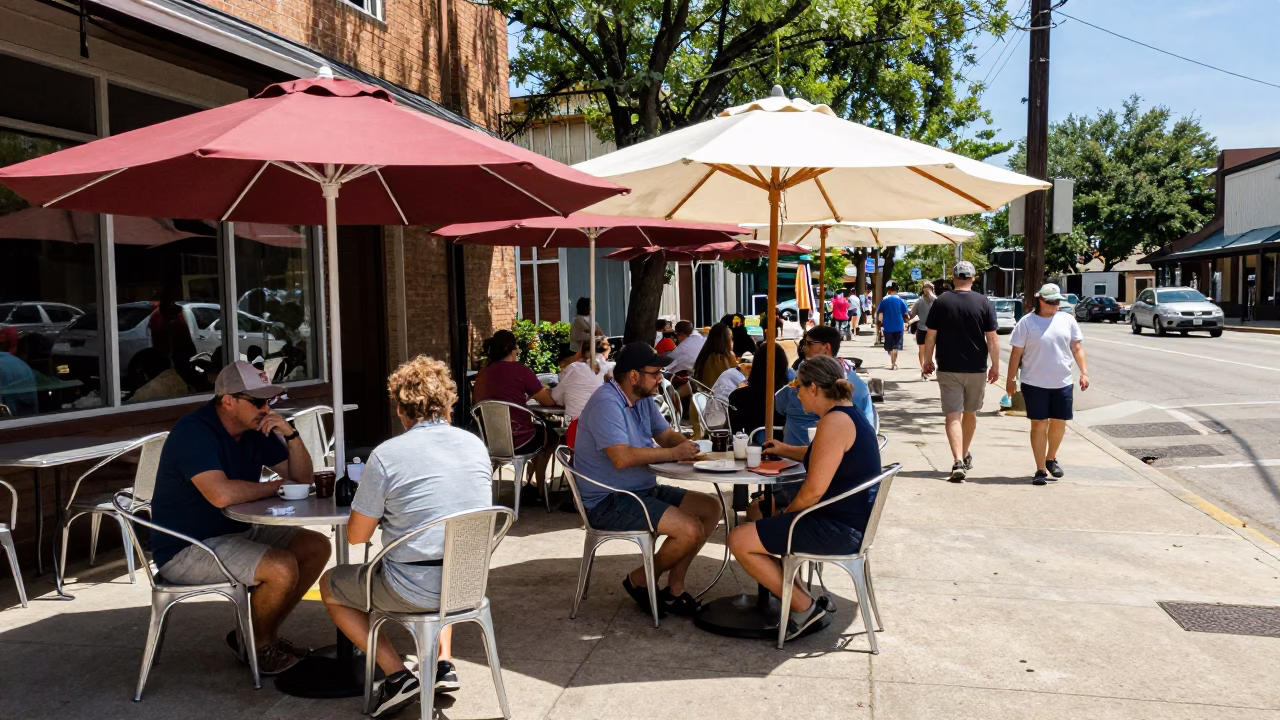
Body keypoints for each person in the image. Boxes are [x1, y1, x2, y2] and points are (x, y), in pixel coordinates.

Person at [321, 356, 493, 715]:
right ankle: (443, 664)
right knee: (446, 556)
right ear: (448, 403)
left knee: (330, 585)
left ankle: (397, 675)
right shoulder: (476, 445)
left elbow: (355, 536)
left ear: (400, 409)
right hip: (468, 583)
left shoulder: (386, 455)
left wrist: (390, 517)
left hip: (411, 588)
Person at [149, 361, 328, 675]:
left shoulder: (254, 429)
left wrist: (291, 433)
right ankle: (256, 646)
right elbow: (220, 494)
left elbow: (302, 479)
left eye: (269, 401)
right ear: (228, 400)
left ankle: (258, 637)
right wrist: (273, 487)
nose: (265, 408)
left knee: (316, 546)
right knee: (281, 567)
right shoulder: (194, 431)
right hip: (187, 547)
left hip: (234, 532)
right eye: (257, 401)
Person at [728, 355, 882, 640]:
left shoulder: (834, 422)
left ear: (813, 388)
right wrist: (786, 449)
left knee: (739, 538)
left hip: (838, 528)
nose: (795, 393)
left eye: (797, 387)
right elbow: (824, 455)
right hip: (849, 521)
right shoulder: (845, 413)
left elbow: (812, 491)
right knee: (761, 512)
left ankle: (805, 608)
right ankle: (797, 595)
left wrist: (788, 518)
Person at [572, 342, 723, 616]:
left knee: (711, 508)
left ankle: (675, 589)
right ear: (633, 376)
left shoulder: (642, 400)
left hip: (641, 490)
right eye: (654, 373)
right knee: (689, 530)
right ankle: (640, 579)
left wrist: (691, 449)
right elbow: (621, 457)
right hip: (608, 500)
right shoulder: (607, 403)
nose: (660, 379)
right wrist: (673, 453)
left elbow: (665, 436)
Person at [921, 261, 1000, 483]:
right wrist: (995, 365)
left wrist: (927, 360)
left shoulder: (941, 302)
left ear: (953, 279)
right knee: (970, 412)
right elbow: (992, 338)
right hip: (976, 367)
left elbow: (930, 335)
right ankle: (964, 455)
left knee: (952, 414)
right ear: (973, 278)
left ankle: (957, 459)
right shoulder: (983, 302)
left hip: (947, 366)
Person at [1005, 284, 1090, 486]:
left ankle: (1051, 458)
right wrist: (1010, 380)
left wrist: (1084, 372)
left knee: (1059, 423)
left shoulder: (1068, 320)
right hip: (1034, 382)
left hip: (1062, 381)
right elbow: (1016, 354)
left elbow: (1077, 348)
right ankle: (1040, 469)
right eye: (1051, 301)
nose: (1054, 305)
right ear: (1040, 300)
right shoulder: (1026, 322)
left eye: (1057, 301)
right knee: (1039, 423)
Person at [472, 329, 557, 500]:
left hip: (489, 440)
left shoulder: (482, 374)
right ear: (511, 349)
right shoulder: (520, 370)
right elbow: (548, 402)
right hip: (521, 440)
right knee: (551, 436)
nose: (518, 350)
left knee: (540, 433)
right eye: (516, 347)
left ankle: (521, 485)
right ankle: (540, 488)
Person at [775, 325, 875, 445]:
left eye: (809, 343)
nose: (804, 348)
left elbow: (778, 404)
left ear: (813, 389)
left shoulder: (832, 423)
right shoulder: (857, 386)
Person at [728, 343, 790, 439]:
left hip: (749, 448)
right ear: (784, 365)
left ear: (755, 364)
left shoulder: (737, 396)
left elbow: (736, 433)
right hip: (786, 447)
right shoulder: (791, 396)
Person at [552, 337, 615, 421]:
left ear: (581, 352)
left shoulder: (574, 368)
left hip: (576, 427)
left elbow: (555, 397)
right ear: (607, 351)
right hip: (605, 425)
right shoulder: (613, 369)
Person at [877, 282, 910, 370]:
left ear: (889, 291)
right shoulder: (901, 301)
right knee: (896, 346)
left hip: (888, 327)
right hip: (899, 326)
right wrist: (907, 322)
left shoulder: (884, 301)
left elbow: (880, 314)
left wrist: (879, 324)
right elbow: (906, 314)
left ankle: (892, 362)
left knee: (890, 346)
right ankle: (894, 363)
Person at [909, 282, 936, 380]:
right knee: (927, 349)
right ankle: (925, 369)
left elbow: (912, 314)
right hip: (927, 328)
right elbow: (912, 313)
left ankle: (925, 369)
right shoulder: (932, 301)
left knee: (925, 350)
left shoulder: (922, 301)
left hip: (926, 329)